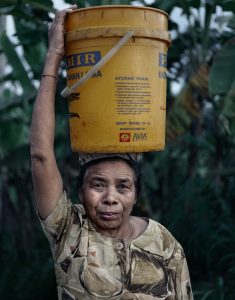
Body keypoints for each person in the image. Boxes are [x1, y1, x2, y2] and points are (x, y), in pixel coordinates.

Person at [30, 6, 194, 300]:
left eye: (123, 186)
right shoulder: (70, 231)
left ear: (135, 195)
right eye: (97, 184)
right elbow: (41, 156)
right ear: (80, 192)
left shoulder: (164, 243)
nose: (110, 197)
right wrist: (54, 54)